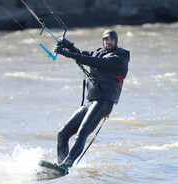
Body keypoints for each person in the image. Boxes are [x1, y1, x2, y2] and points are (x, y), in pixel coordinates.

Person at [54, 29, 130, 169]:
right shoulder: (99, 53)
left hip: (104, 102)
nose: (108, 42)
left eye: (111, 39)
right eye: (106, 39)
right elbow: (83, 54)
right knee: (62, 134)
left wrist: (69, 55)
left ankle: (67, 165)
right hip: (91, 102)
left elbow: (97, 62)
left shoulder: (120, 58)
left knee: (82, 133)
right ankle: (59, 166)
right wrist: (69, 46)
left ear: (116, 41)